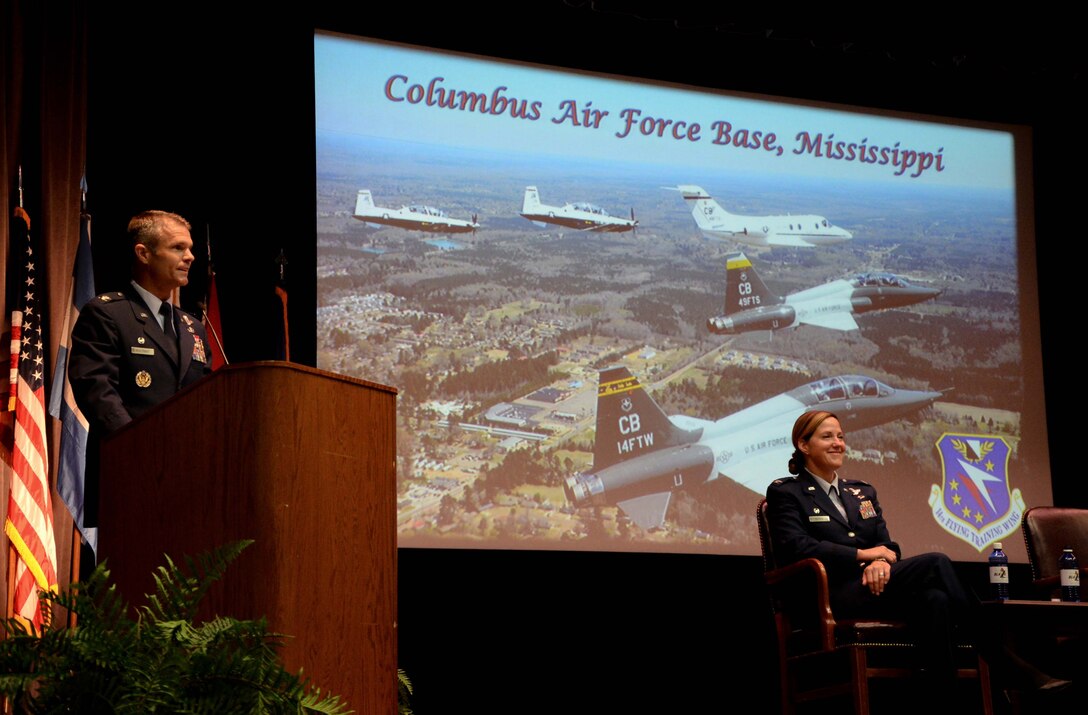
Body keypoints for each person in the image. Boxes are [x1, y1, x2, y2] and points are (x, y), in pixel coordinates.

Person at [765, 409, 1070, 697]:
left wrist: (881, 560)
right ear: (804, 444)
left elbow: (887, 544)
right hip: (830, 593)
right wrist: (864, 556)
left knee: (935, 599)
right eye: (828, 437)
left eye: (841, 436)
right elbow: (796, 546)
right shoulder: (786, 492)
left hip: (874, 586)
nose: (838, 444)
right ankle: (1008, 665)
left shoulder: (861, 492)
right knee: (935, 563)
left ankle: (942, 699)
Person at [68, 209, 212, 524]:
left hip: (189, 483)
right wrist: (142, 449)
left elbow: (208, 400)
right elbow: (96, 391)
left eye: (190, 248)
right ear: (143, 253)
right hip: (130, 475)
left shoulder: (192, 328)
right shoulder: (108, 314)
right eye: (177, 248)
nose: (190, 257)